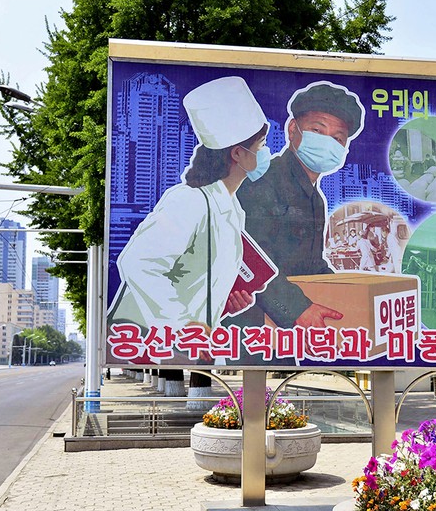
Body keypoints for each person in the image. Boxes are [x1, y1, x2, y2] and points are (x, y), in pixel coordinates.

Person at [108, 76, 269, 362]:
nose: (266, 153)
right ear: (237, 153)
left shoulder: (233, 208)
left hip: (188, 348)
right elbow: (136, 262)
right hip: (148, 342)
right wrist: (183, 326)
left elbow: (194, 279)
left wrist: (224, 301)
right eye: (261, 146)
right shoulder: (189, 200)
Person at [232, 81, 365, 340]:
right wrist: (297, 310)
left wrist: (347, 292)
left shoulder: (315, 198)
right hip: (252, 324)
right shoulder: (265, 181)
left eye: (338, 138)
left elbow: (311, 264)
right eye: (317, 129)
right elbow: (248, 256)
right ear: (293, 129)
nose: (328, 143)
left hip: (287, 332)